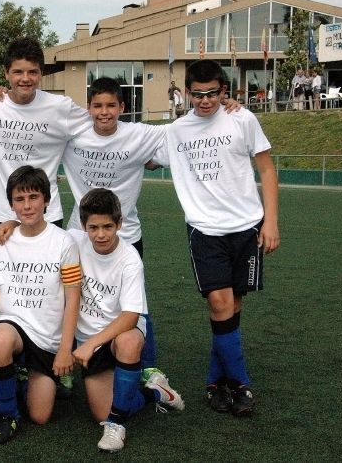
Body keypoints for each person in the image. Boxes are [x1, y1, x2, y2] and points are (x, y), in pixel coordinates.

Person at [152, 59, 280, 417]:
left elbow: (267, 169)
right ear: (187, 94)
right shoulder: (176, 130)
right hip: (205, 229)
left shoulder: (243, 119)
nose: (205, 101)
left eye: (212, 94)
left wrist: (271, 222)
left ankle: (215, 382)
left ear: (225, 92)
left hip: (247, 226)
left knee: (233, 305)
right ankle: (240, 382)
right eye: (197, 95)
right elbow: (144, 156)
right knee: (221, 304)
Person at [61, 77, 167, 378]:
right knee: (70, 294)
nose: (104, 112)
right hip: (80, 234)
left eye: (111, 105)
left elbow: (185, 133)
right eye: (97, 105)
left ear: (122, 107)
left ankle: (148, 366)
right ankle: (67, 358)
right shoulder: (74, 134)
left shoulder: (139, 135)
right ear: (88, 108)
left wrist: (225, 108)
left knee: (134, 301)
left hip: (127, 235)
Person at [69, 189, 184, 453]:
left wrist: (90, 345)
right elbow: (39, 230)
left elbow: (131, 316)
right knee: (101, 411)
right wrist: (9, 225)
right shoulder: (73, 240)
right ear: (83, 226)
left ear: (119, 223)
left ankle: (116, 426)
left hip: (118, 333)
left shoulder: (130, 259)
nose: (100, 234)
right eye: (93, 227)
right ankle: (156, 392)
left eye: (108, 226)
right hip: (91, 340)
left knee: (129, 340)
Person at [0, 166, 82, 444]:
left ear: (47, 200)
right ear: (11, 204)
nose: (27, 206)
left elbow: (73, 295)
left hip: (46, 339)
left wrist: (65, 349)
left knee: (40, 416)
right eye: (19, 199)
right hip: (12, 327)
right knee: (1, 338)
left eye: (33, 197)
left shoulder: (64, 242)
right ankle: (7, 415)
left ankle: (22, 377)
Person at [0, 37, 91, 235]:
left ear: (41, 73)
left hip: (46, 212)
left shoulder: (60, 107)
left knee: (48, 267)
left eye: (32, 72)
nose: (25, 78)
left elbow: (99, 124)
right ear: (6, 73)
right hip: (0, 211)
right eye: (18, 72)